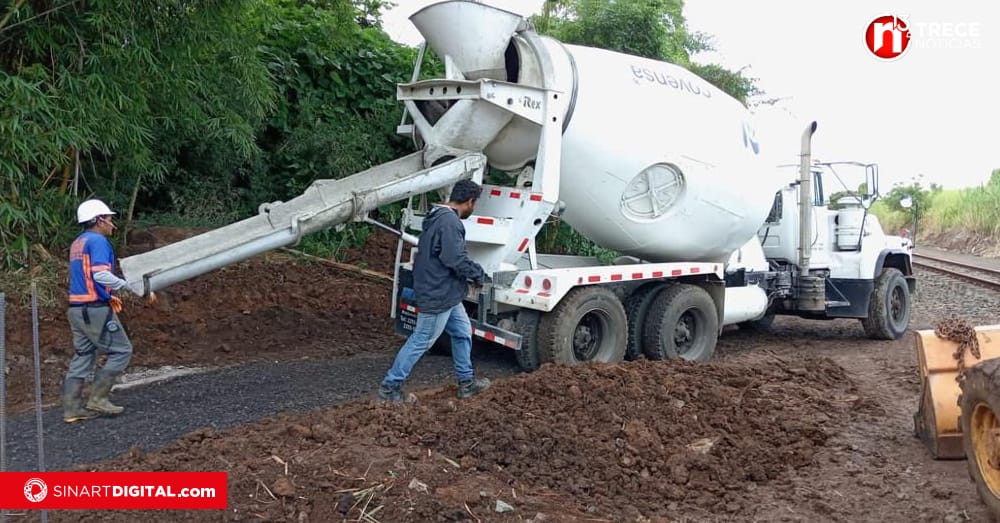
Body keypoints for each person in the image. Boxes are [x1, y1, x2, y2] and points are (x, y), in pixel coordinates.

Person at [377, 179, 492, 402]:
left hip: (446, 292)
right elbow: (454, 258)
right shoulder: (450, 222)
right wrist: (479, 275)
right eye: (474, 204)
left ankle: (466, 383)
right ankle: (390, 388)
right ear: (469, 201)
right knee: (421, 340)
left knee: (461, 332)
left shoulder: (436, 216)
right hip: (438, 293)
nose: (473, 208)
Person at [62, 199, 156, 423]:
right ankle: (98, 399)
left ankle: (72, 409)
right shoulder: (98, 241)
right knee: (122, 350)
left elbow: (85, 277)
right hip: (93, 309)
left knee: (83, 355)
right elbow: (100, 275)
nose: (113, 224)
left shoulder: (79, 242)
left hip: (77, 309)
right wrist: (130, 287)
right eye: (110, 219)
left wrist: (107, 295)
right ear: (99, 220)